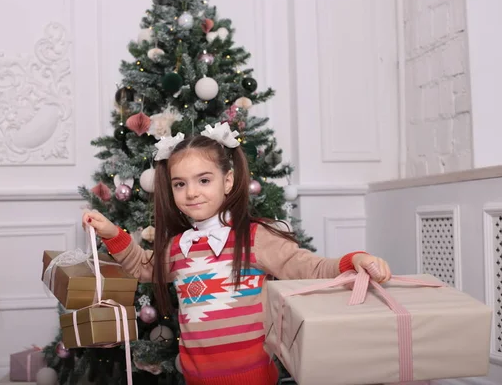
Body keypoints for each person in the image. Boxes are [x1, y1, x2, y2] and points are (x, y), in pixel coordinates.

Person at [82, 122, 392, 385]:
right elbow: (143, 266)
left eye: (204, 180)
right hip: (197, 378)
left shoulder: (255, 237)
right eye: (180, 184)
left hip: (255, 376)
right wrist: (112, 234)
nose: (191, 192)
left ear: (227, 180)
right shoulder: (179, 247)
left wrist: (355, 260)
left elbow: (307, 266)